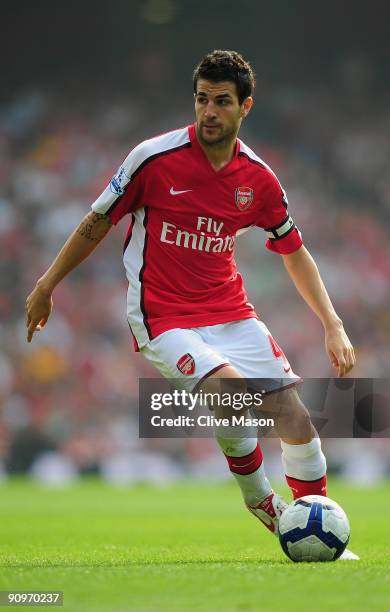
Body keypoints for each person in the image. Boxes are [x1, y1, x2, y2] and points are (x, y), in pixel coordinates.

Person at [26, 50, 358, 559]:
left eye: (221, 101)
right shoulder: (153, 159)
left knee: (293, 416)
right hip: (163, 317)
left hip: (231, 312)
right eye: (202, 99)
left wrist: (332, 323)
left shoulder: (258, 179)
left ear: (245, 107)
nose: (208, 111)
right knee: (231, 390)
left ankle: (315, 527)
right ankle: (266, 507)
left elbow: (294, 250)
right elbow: (96, 222)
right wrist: (48, 284)